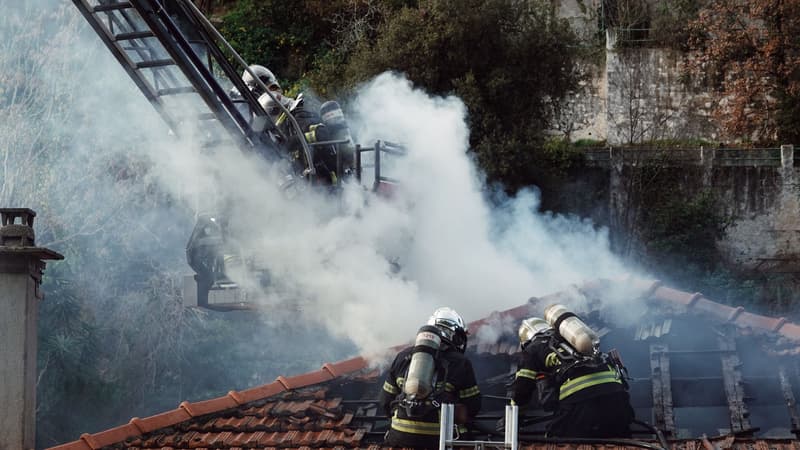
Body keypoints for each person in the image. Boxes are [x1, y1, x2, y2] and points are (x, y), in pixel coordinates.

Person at [511, 311, 634, 439]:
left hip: (579, 401)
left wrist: (514, 417)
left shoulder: (532, 349)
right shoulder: (572, 338)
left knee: (556, 440)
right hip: (616, 393)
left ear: (525, 342)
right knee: (620, 440)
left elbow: (522, 389)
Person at [379, 307, 481, 448]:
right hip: (440, 441)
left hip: (400, 438)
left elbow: (385, 401)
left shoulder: (402, 356)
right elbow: (473, 406)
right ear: (454, 335)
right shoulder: (460, 362)